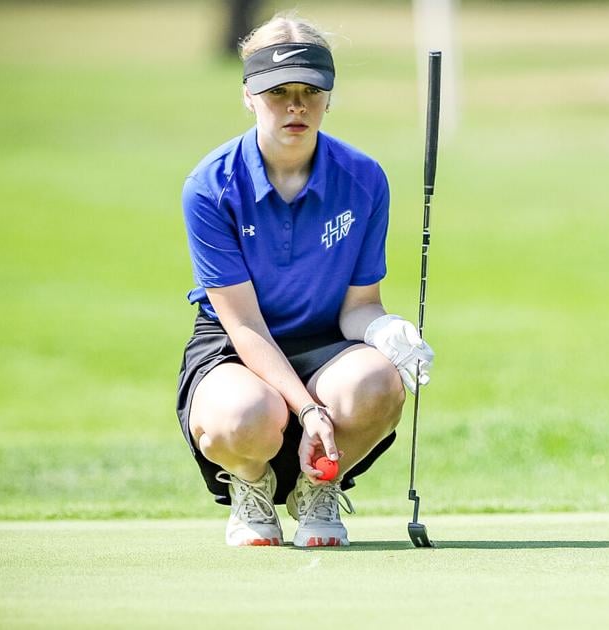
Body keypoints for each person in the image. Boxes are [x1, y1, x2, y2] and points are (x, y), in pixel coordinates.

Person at [176, 11, 434, 547]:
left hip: (327, 342)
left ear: (329, 96)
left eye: (310, 91)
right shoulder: (210, 186)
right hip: (235, 346)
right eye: (278, 92)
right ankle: (252, 483)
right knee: (244, 415)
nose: (296, 106)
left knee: (379, 381)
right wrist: (310, 410)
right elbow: (244, 325)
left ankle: (318, 485)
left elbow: (358, 305)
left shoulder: (363, 178)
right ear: (249, 94)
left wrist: (386, 332)